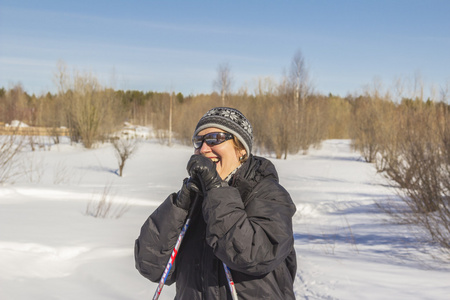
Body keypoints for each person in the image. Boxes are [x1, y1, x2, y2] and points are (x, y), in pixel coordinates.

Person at [135, 107, 297, 299]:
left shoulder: (267, 194)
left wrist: (216, 190)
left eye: (214, 138)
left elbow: (256, 255)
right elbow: (151, 265)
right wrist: (179, 206)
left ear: (241, 149)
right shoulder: (194, 200)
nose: (203, 149)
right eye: (199, 141)